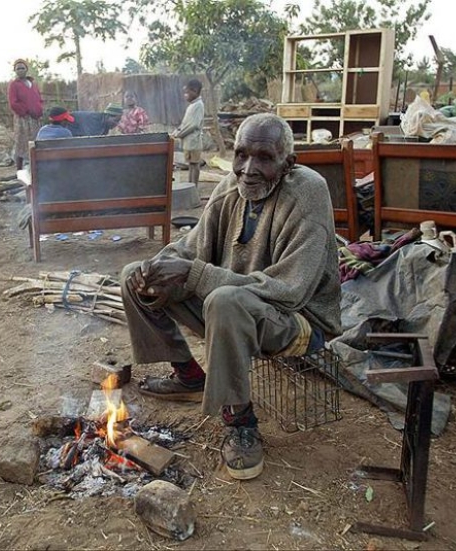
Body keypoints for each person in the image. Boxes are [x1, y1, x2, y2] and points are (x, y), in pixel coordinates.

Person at [121, 113, 341, 481]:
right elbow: (191, 249)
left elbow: (291, 290)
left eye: (264, 158)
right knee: (134, 277)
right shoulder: (230, 186)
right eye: (241, 155)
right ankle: (189, 375)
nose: (248, 169)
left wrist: (195, 275)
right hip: (231, 306)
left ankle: (241, 422)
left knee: (223, 300)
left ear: (289, 164)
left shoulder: (308, 192)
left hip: (297, 318)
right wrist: (159, 267)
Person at [8, 59, 44, 170]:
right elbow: (13, 103)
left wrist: (39, 110)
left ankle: (35, 166)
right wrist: (26, 111)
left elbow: (39, 99)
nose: (20, 70)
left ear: (26, 69)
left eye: (22, 68)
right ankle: (19, 168)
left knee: (35, 141)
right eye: (18, 68)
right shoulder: (14, 85)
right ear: (15, 70)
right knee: (21, 142)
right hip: (23, 118)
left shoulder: (32, 84)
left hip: (35, 118)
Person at [173, 79, 205, 187]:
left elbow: (194, 125)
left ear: (195, 91)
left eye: (187, 92)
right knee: (191, 165)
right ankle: (191, 185)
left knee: (195, 165)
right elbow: (185, 123)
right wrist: (177, 131)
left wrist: (180, 133)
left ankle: (193, 186)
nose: (185, 95)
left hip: (194, 141)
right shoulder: (192, 105)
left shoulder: (198, 105)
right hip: (188, 141)